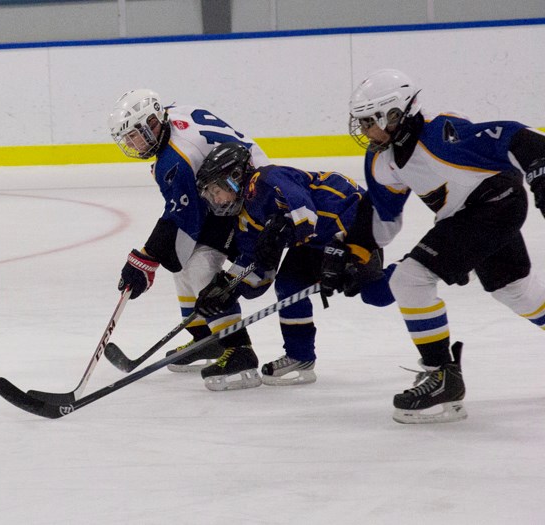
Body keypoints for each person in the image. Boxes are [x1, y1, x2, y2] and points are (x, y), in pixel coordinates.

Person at [346, 68, 545, 423]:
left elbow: (517, 137)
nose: (364, 131)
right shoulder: (383, 159)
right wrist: (354, 254)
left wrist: (541, 171)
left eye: (367, 122)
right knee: (516, 291)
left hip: (495, 203)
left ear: (393, 114)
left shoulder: (441, 134)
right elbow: (382, 216)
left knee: (409, 280)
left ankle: (442, 376)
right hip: (469, 215)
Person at [192, 142, 394, 390]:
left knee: (376, 294)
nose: (216, 200)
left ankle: (410, 273)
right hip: (314, 242)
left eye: (216, 191)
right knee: (288, 284)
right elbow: (256, 272)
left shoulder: (267, 177)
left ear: (234, 177)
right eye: (211, 196)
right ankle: (300, 357)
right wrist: (226, 288)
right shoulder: (244, 220)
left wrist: (284, 228)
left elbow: (303, 208)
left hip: (352, 225)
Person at [107, 89, 270, 386]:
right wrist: (154, 256)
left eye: (134, 135)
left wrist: (145, 258)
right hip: (226, 188)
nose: (131, 144)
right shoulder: (172, 117)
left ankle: (238, 350)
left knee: (199, 264)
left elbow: (183, 217)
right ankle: (206, 339)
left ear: (151, 124)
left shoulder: (176, 159)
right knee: (179, 261)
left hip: (250, 197)